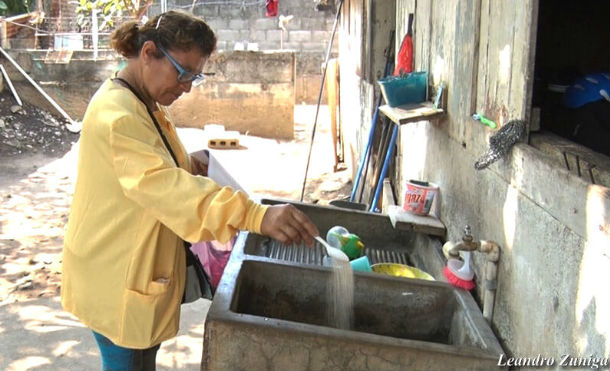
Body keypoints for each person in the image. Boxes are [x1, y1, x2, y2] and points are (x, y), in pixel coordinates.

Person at [60, 10, 319, 371]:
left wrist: (184, 160)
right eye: (182, 73)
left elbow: (149, 168)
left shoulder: (139, 100)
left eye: (194, 77)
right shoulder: (119, 115)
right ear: (148, 51)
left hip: (117, 269)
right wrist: (255, 215)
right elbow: (171, 191)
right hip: (116, 282)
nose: (186, 88)